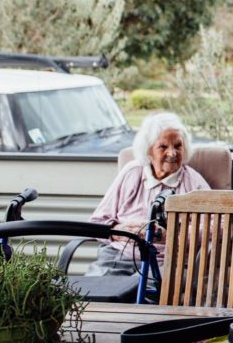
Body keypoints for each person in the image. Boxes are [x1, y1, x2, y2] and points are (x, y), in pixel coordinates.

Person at [86, 112, 209, 279]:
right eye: (163, 147)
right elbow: (97, 222)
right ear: (149, 150)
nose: (172, 153)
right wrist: (119, 231)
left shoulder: (192, 181)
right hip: (119, 255)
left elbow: (219, 228)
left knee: (143, 298)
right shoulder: (132, 172)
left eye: (178, 146)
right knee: (95, 293)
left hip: (164, 260)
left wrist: (171, 235)